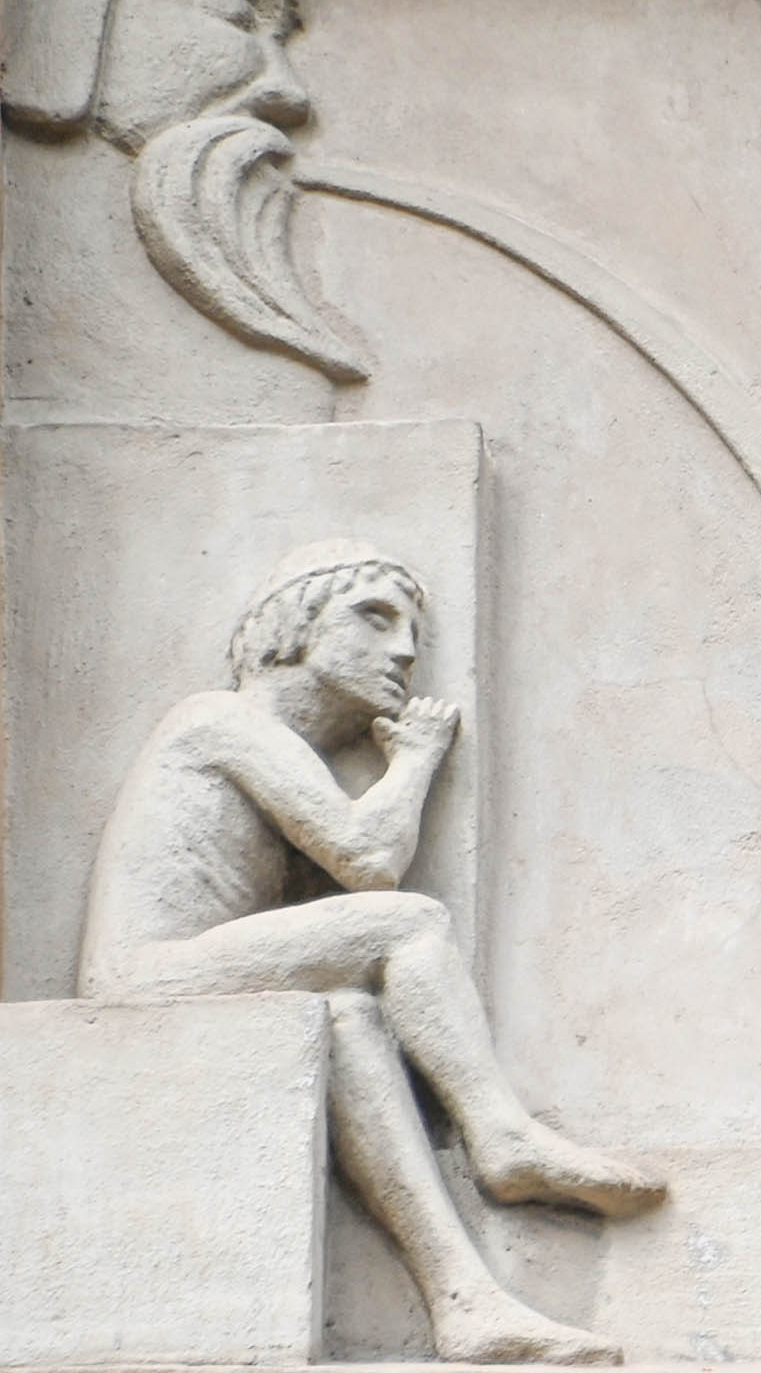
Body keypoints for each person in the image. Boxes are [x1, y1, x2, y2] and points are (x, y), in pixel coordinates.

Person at [81, 541, 664, 1366]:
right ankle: (501, 1133)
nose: (405, 650)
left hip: (193, 969)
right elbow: (368, 860)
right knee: (408, 922)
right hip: (147, 975)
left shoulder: (277, 746)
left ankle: (466, 1302)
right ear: (293, 626)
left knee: (349, 1022)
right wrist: (416, 761)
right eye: (374, 617)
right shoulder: (220, 720)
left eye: (412, 628)